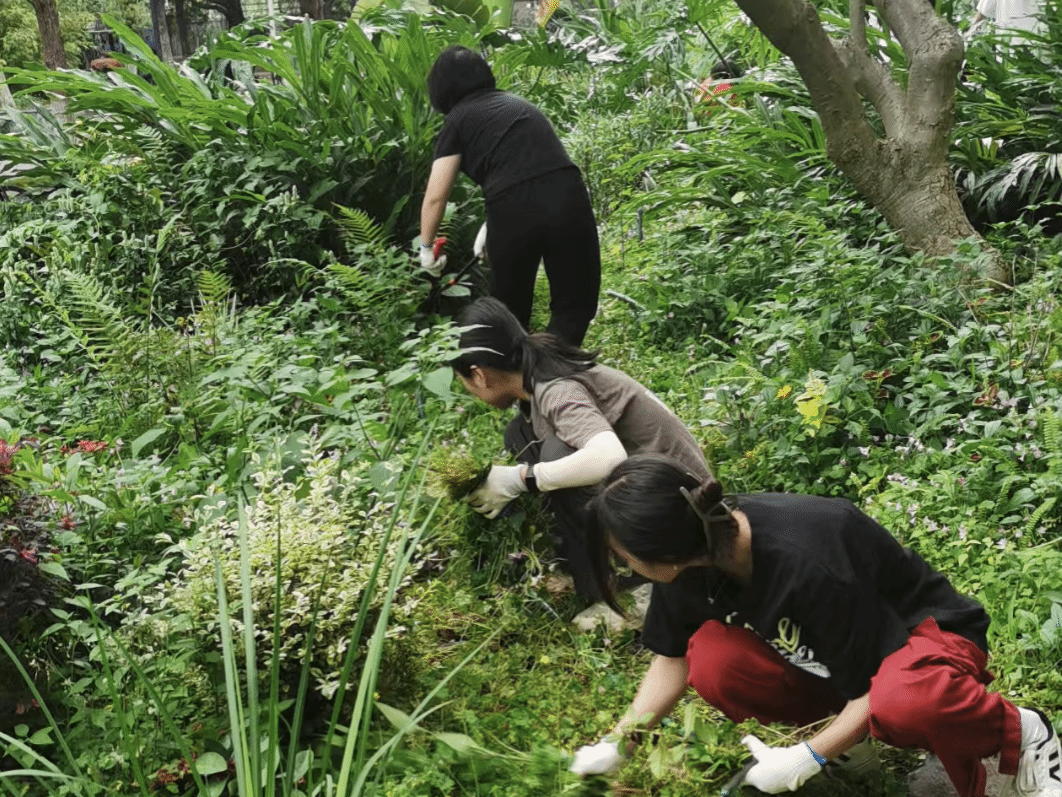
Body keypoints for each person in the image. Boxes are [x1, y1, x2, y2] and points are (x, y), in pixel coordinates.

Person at [568, 454, 1062, 797]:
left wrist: (808, 756)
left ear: (666, 550)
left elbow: (874, 682)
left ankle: (1022, 734)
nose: (624, 566)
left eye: (623, 556)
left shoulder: (811, 555)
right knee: (715, 661)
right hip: (839, 660)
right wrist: (620, 742)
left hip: (924, 639)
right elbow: (672, 656)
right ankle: (854, 745)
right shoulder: (697, 556)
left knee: (904, 700)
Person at [451, 298, 710, 600]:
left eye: (464, 381)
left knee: (558, 455)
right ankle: (574, 559)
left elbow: (608, 457)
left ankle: (625, 583)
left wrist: (522, 478)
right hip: (656, 491)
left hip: (680, 512)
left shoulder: (556, 389)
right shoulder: (539, 376)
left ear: (479, 375)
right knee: (520, 435)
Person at [419, 46, 601, 347]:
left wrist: (426, 248)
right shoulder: (518, 104)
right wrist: (492, 224)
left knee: (509, 314)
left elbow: (436, 198)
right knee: (574, 305)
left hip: (513, 206)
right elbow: (533, 167)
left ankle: (515, 373)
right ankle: (553, 369)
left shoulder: (457, 121)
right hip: (569, 194)